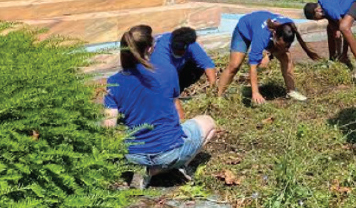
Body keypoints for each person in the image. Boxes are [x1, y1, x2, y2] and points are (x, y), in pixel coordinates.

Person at [103, 25, 217, 189]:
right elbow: (175, 110)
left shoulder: (114, 81)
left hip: (134, 155)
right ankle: (162, 169)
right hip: (168, 152)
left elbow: (109, 128)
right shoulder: (167, 71)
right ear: (150, 49)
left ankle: (143, 170)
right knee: (209, 122)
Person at [217, 11, 321, 104]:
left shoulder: (289, 27)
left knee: (286, 58)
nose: (285, 48)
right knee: (235, 65)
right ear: (275, 36)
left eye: (287, 46)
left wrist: (270, 55)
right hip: (244, 29)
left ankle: (291, 91)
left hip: (266, 33)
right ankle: (218, 96)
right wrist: (256, 93)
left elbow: (281, 46)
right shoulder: (262, 37)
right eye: (281, 46)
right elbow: (252, 66)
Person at [303, 0, 356, 79]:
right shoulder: (322, 3)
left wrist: (344, 53)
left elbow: (343, 30)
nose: (320, 20)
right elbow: (336, 32)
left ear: (317, 11)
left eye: (317, 19)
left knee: (344, 27)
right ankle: (333, 58)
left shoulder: (329, 8)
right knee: (331, 27)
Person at [150, 27, 217, 94]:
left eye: (182, 50)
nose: (180, 52)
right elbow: (165, 78)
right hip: (158, 76)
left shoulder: (189, 43)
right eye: (177, 50)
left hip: (177, 70)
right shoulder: (160, 53)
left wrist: (213, 89)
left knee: (197, 68)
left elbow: (207, 64)